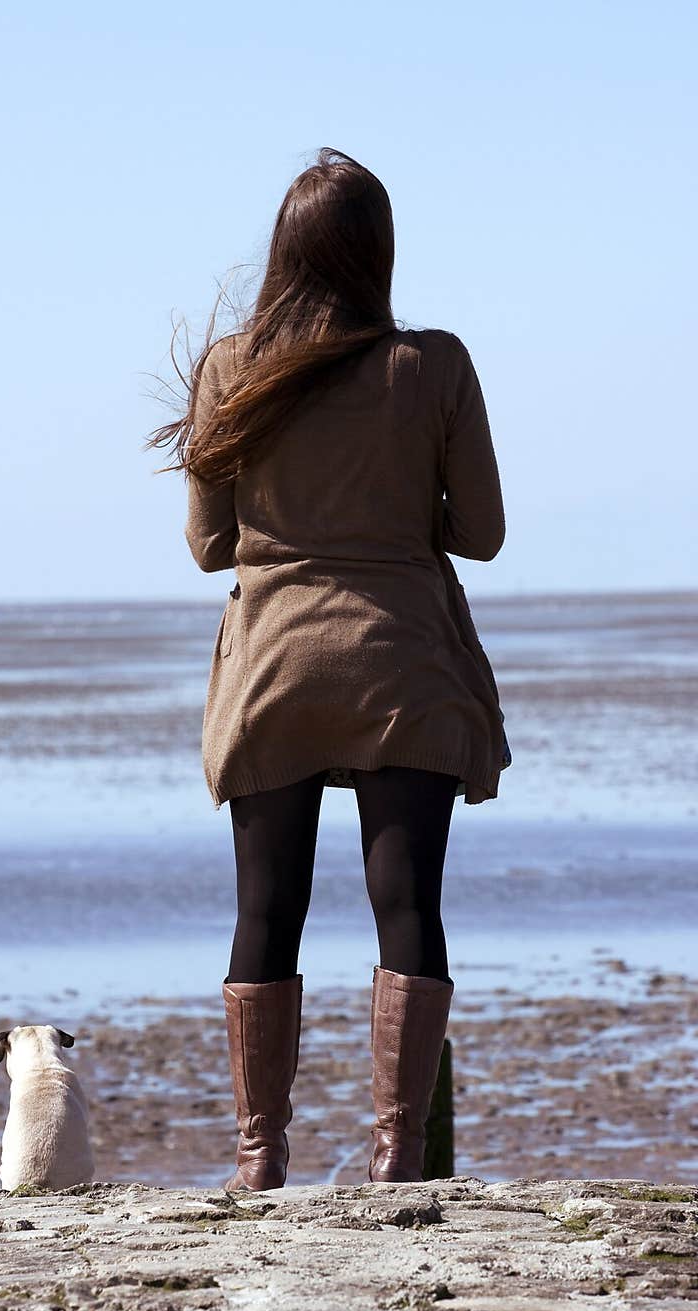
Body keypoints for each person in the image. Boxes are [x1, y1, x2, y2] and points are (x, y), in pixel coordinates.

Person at [145, 147, 508, 1193]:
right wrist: (394, 519)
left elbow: (210, 546)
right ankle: (396, 1157)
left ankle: (260, 1162)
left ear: (282, 254)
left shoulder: (229, 369)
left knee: (266, 910)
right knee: (409, 906)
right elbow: (479, 532)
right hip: (402, 662)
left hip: (274, 670)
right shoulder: (431, 365)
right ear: (378, 252)